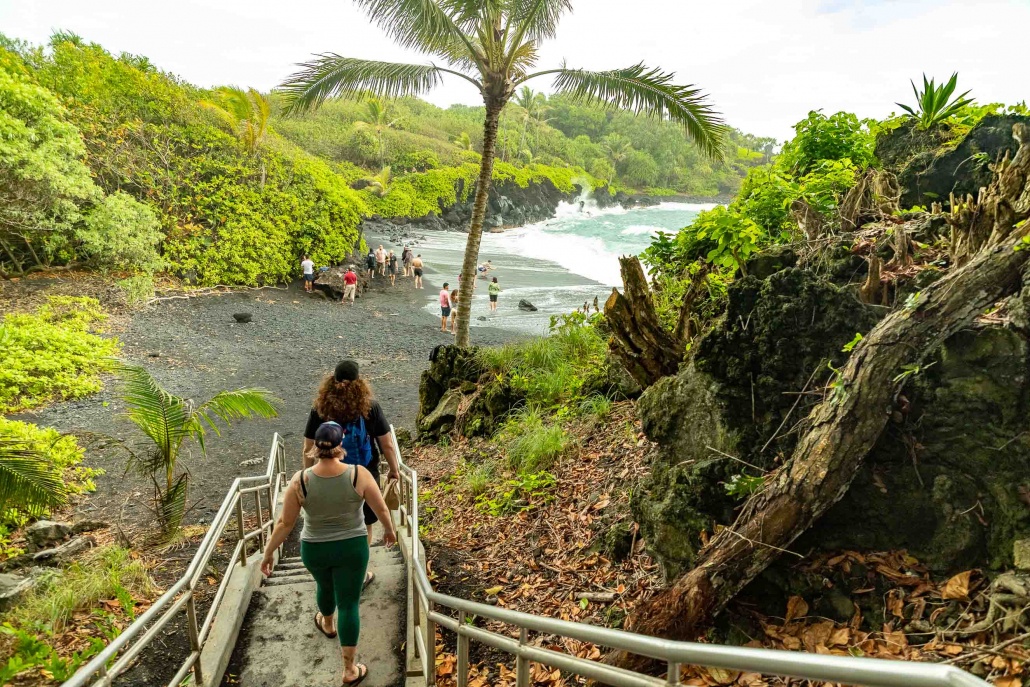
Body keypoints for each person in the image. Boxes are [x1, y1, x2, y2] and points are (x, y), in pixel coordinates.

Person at [262, 421, 396, 686]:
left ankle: (327, 623)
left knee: (324, 585)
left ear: (314, 448)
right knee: (349, 603)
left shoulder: (300, 480)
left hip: (314, 549)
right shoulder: (359, 474)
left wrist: (268, 554)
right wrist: (389, 530)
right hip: (352, 548)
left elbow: (284, 524)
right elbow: (380, 508)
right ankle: (349, 670)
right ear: (340, 444)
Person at [303, 361, 401, 584]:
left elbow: (308, 448)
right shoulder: (369, 407)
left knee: (333, 521)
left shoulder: (320, 408)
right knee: (364, 524)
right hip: (363, 473)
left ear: (332, 380)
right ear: (359, 383)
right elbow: (386, 444)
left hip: (328, 473)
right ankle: (359, 573)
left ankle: (333, 569)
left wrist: (306, 478)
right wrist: (394, 470)